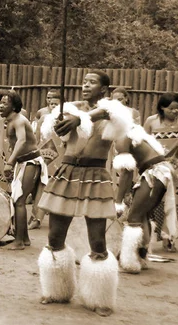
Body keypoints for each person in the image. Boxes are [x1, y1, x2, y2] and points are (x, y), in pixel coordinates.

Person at [37, 70, 126, 317]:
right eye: (84, 82)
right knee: (55, 236)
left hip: (95, 175)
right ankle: (57, 291)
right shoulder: (71, 109)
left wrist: (80, 119)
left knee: (97, 240)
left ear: (105, 89)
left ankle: (100, 299)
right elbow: (56, 124)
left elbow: (109, 113)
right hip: (67, 173)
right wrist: (64, 120)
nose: (85, 85)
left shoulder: (112, 109)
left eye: (92, 82)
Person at [113, 121, 178, 273]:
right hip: (159, 172)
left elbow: (127, 172)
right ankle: (141, 256)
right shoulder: (134, 133)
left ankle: (128, 262)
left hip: (155, 173)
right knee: (142, 215)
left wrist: (118, 201)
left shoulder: (122, 137)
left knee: (134, 218)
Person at [143, 93, 178, 252]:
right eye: (171, 109)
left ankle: (170, 237)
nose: (175, 112)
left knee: (177, 202)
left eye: (177, 109)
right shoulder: (151, 121)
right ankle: (154, 236)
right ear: (162, 108)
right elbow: (143, 143)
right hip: (156, 166)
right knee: (156, 201)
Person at [0, 91, 48, 250]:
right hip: (23, 163)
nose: (1, 105)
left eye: (5, 103)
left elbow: (21, 141)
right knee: (17, 200)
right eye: (0, 102)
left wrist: (10, 162)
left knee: (19, 201)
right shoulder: (11, 120)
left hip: (31, 162)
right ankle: (24, 238)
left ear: (13, 106)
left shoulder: (19, 120)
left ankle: (19, 241)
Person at [29, 92, 63, 230]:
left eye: (56, 104)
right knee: (40, 186)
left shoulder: (66, 118)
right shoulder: (43, 117)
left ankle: (49, 217)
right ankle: (36, 217)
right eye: (51, 103)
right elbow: (37, 138)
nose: (53, 105)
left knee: (56, 187)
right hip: (44, 155)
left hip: (60, 156)